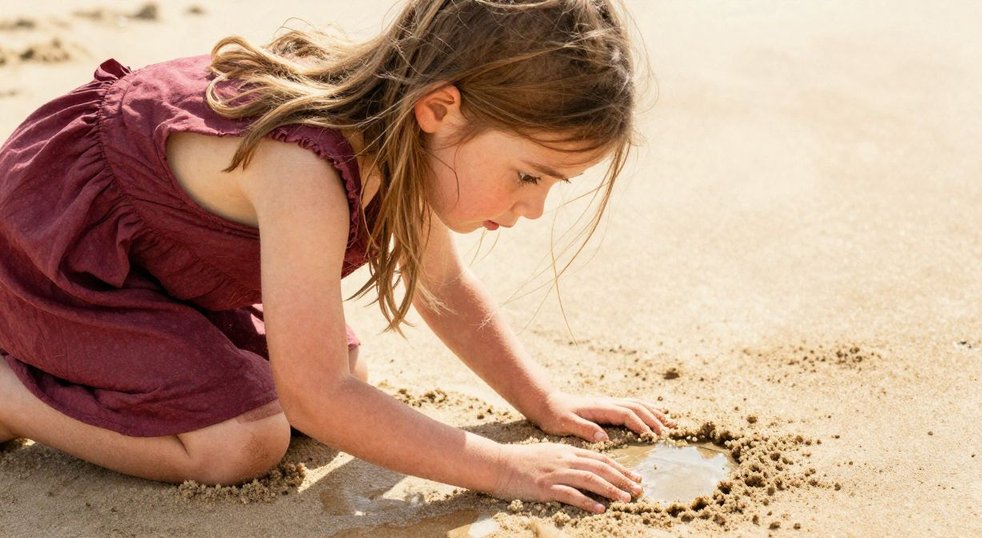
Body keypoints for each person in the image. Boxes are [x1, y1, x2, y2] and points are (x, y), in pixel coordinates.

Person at [0, 0, 672, 514]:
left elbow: (443, 284)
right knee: (243, 442)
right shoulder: (304, 167)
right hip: (65, 254)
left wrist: (544, 400)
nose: (534, 209)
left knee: (348, 365)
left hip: (169, 263)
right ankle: (11, 399)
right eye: (529, 176)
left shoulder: (408, 138)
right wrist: (504, 468)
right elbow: (317, 397)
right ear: (441, 108)